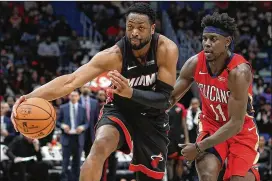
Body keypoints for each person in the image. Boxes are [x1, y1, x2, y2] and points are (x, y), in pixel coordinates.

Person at [11, 3, 178, 181]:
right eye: (130, 27)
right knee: (100, 145)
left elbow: (164, 100)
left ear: (152, 28)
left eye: (141, 28)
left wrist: (131, 93)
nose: (134, 32)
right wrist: (28, 97)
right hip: (120, 110)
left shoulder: (166, 50)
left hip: (152, 115)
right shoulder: (113, 55)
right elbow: (70, 81)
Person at [170, 12, 260, 181]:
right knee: (207, 174)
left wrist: (198, 148)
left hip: (240, 132)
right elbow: (171, 97)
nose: (207, 44)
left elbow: (236, 123)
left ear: (227, 42)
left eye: (213, 39)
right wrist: (146, 115)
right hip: (211, 125)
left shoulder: (239, 72)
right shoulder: (195, 63)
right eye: (204, 38)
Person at [56, 91, 89, 181]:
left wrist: (82, 127)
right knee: (65, 162)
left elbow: (86, 123)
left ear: (78, 97)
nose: (73, 97)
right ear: (69, 97)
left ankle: (76, 179)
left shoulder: (82, 108)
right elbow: (57, 122)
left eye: (75, 95)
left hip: (78, 138)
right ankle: (64, 179)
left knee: (77, 163)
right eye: (72, 95)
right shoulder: (63, 107)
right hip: (67, 138)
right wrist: (63, 126)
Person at [166, 102, 189, 181]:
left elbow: (184, 124)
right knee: (170, 161)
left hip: (179, 138)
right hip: (169, 138)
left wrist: (187, 139)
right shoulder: (164, 105)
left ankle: (179, 179)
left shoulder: (181, 106)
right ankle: (170, 179)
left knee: (180, 161)